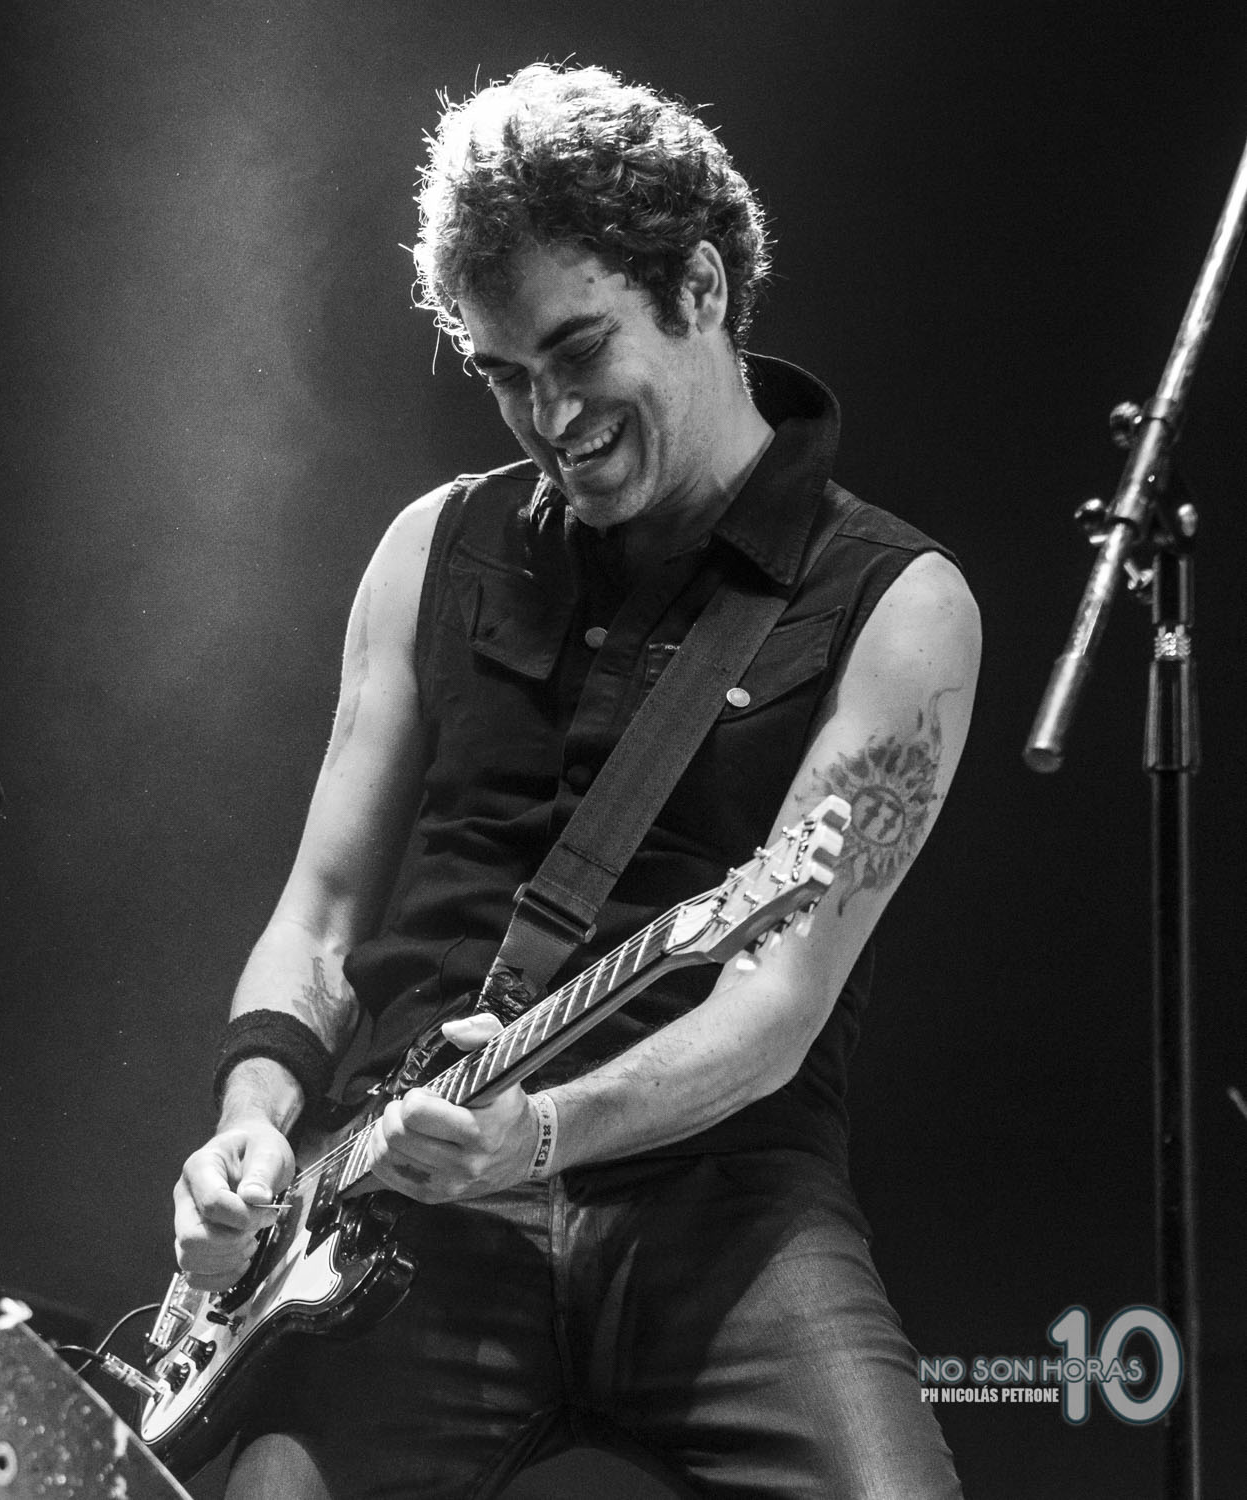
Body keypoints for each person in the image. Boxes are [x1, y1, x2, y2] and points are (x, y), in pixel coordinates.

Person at [172, 64, 976, 1497]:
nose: (548, 415)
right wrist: (250, 1123)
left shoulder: (897, 603)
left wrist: (539, 1135)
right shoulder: (432, 547)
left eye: (577, 349)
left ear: (702, 288)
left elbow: (774, 1009)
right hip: (405, 1208)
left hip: (726, 1202)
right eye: (501, 375)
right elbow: (324, 914)